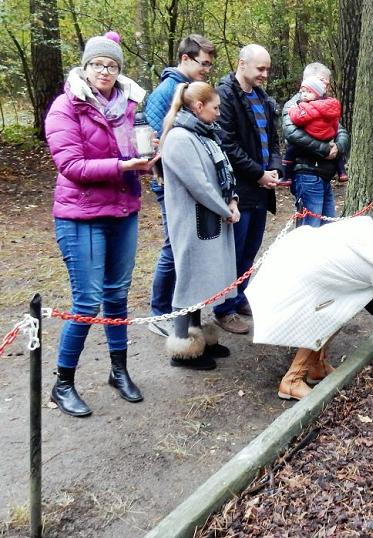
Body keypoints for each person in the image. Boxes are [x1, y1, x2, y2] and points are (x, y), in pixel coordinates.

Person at [44, 31, 157, 417]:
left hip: (122, 211)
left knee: (117, 295)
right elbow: (71, 166)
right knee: (87, 301)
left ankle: (119, 371)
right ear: (85, 67)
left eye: (111, 65)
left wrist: (147, 155)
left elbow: (130, 151)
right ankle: (63, 384)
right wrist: (124, 165)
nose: (104, 71)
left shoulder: (129, 106)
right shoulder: (66, 107)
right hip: (81, 215)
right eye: (97, 64)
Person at [246, 213, 373, 400]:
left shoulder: (368, 226)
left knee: (337, 313)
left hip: (303, 254)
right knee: (321, 321)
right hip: (305, 277)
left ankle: (316, 366)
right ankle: (291, 381)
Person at [159, 82, 240, 370]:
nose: (219, 113)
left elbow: (221, 176)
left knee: (202, 281)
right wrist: (225, 209)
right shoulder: (180, 138)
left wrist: (232, 201)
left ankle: (198, 339)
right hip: (191, 222)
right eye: (215, 108)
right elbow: (200, 186)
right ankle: (182, 347)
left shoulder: (204, 135)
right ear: (198, 107)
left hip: (209, 219)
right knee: (189, 282)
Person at [144, 34, 216, 338]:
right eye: (204, 64)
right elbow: (159, 139)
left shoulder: (187, 89)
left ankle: (183, 313)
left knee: (182, 247)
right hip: (172, 186)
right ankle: (159, 311)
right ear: (186, 59)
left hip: (186, 185)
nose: (207, 70)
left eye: (210, 65)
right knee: (174, 247)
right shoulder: (167, 91)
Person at [213, 44, 284, 335]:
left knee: (250, 249)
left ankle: (240, 296)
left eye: (267, 69)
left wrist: (275, 168)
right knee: (233, 250)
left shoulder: (263, 99)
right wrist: (258, 174)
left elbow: (273, 139)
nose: (265, 75)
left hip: (261, 187)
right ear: (242, 64)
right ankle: (223, 309)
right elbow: (227, 144)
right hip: (239, 189)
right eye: (260, 69)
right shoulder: (226, 95)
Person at [282, 63, 350, 228]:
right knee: (310, 228)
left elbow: (340, 131)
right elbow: (292, 134)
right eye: (322, 82)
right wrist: (326, 149)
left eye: (327, 83)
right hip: (307, 173)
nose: (326, 86)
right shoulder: (295, 105)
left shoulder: (325, 104)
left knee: (328, 226)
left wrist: (338, 148)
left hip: (324, 174)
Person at [283, 77, 347, 186]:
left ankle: (286, 176)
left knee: (290, 151)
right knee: (335, 149)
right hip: (327, 138)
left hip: (314, 139)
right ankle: (342, 171)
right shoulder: (329, 106)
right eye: (302, 92)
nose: (304, 94)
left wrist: (293, 111)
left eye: (308, 92)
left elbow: (298, 120)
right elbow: (336, 125)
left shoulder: (308, 107)